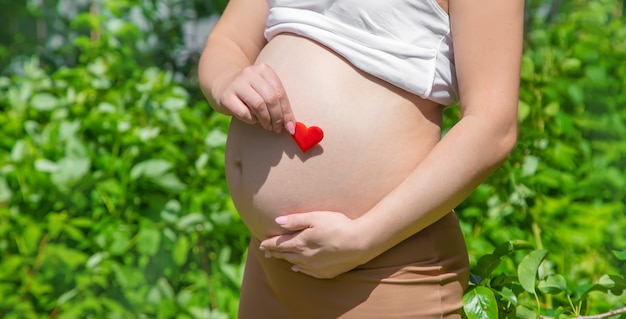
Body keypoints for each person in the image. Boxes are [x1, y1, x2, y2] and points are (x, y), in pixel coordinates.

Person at [198, 0, 523, 317]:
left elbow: (493, 125)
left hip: (383, 271)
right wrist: (227, 79)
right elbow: (229, 41)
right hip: (270, 267)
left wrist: (362, 240)